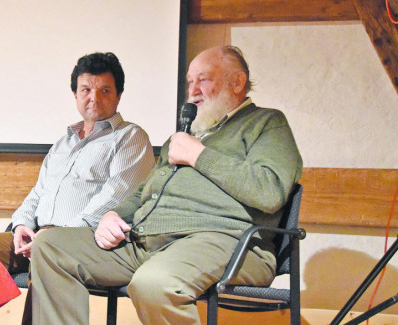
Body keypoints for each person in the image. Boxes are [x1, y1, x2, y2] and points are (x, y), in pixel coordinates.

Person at [29, 46, 303, 324]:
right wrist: (113, 216)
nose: (193, 89)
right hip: (146, 241)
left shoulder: (267, 123)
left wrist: (199, 155)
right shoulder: (185, 136)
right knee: (52, 246)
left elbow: (271, 191)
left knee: (152, 283)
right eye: (189, 82)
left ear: (236, 82)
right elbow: (144, 192)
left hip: (223, 241)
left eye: (203, 80)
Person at [0, 52, 154, 280]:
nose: (94, 97)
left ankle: (36, 311)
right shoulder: (63, 143)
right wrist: (22, 226)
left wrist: (56, 235)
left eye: (105, 90)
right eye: (86, 90)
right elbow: (38, 192)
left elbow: (117, 198)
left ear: (119, 96)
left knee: (45, 253)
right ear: (75, 95)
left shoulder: (130, 137)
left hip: (85, 242)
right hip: (37, 236)